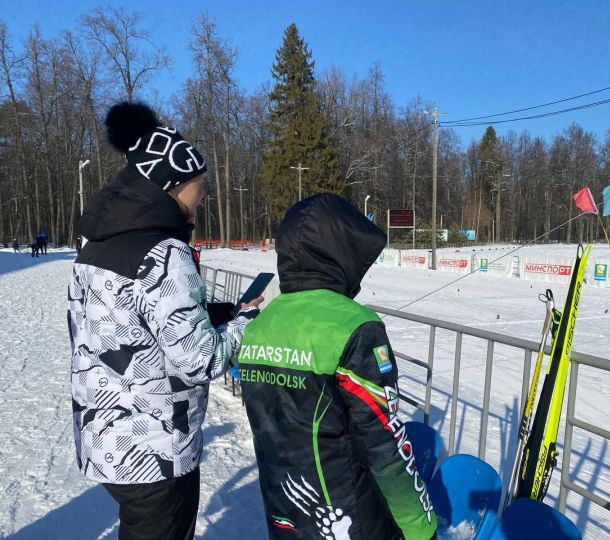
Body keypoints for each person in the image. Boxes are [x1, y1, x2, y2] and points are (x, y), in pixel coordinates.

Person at [67, 101, 259, 540]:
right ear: (171, 187)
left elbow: (125, 321)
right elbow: (201, 362)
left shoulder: (95, 244)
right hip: (153, 445)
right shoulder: (164, 252)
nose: (204, 195)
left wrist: (215, 314)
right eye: (199, 185)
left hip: (105, 435)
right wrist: (248, 323)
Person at [233, 193, 437, 540]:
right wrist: (422, 528)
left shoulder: (259, 325)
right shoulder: (354, 327)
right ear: (342, 254)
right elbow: (384, 443)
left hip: (284, 508)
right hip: (349, 516)